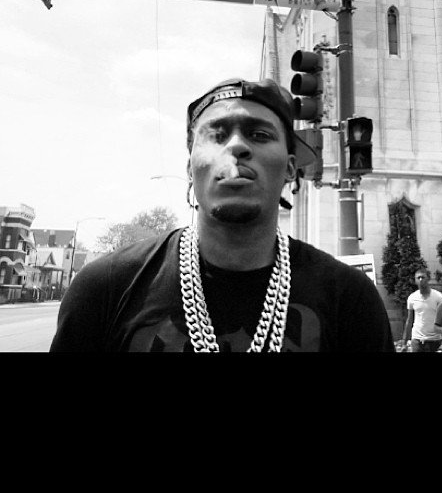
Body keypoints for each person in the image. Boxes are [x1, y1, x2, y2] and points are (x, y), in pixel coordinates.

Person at [50, 78, 395, 353]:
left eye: (259, 134)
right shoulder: (107, 287)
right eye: (216, 135)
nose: (236, 146)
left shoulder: (350, 299)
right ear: (190, 168)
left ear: (290, 169)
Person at [401, 267, 442, 352]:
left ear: (428, 279)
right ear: (415, 281)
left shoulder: (438, 297)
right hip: (417, 340)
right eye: (418, 278)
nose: (421, 280)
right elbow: (409, 320)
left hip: (435, 340)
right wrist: (404, 343)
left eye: (423, 277)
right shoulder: (412, 298)